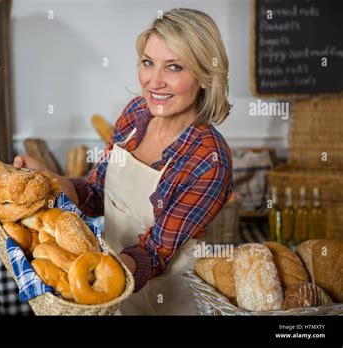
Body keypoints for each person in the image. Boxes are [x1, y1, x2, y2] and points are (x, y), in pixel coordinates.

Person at [14, 8, 233, 315]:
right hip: (112, 291)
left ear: (205, 76)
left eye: (173, 67)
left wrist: (92, 281)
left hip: (168, 303)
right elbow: (94, 195)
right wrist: (48, 179)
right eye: (147, 63)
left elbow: (153, 254)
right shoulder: (135, 115)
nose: (154, 82)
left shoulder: (208, 159)